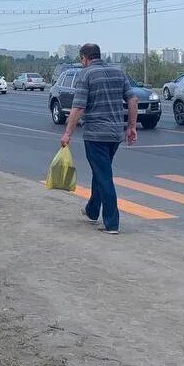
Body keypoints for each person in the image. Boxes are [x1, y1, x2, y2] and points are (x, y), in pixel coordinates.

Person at [59, 43, 137, 235]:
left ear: (84, 58)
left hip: (95, 134)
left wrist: (68, 133)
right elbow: (133, 100)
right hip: (115, 134)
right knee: (100, 171)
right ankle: (92, 211)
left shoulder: (86, 74)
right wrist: (132, 127)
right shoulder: (118, 72)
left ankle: (112, 223)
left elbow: (78, 107)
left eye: (81, 60)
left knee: (103, 175)